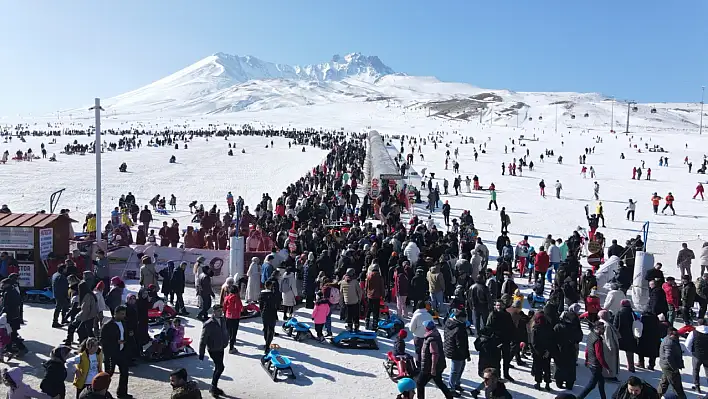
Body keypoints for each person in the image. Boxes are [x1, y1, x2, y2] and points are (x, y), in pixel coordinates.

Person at [100, 305, 132, 399]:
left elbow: (125, 334)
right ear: (116, 314)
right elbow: (102, 340)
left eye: (124, 314)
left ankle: (122, 393)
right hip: (111, 353)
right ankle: (102, 394)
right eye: (122, 314)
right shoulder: (107, 325)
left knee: (125, 372)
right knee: (108, 374)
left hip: (122, 352)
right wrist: (115, 342)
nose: (123, 316)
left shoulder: (124, 323)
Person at [417, 320, 453, 399]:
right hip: (438, 366)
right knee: (439, 382)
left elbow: (434, 354)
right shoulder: (435, 334)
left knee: (419, 383)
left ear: (427, 328)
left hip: (429, 367)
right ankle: (449, 396)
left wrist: (433, 369)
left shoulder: (432, 339)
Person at [198, 305, 228, 397]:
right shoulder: (208, 324)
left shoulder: (222, 320)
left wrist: (226, 340)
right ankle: (213, 387)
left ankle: (214, 387)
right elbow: (203, 339)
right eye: (219, 311)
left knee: (218, 367)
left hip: (221, 347)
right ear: (213, 312)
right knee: (220, 367)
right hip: (213, 349)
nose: (221, 312)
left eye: (221, 311)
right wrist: (201, 353)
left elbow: (225, 331)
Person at [578, 322, 610, 399]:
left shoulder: (591, 335)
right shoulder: (597, 340)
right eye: (602, 328)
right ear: (597, 328)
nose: (604, 330)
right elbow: (599, 356)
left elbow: (587, 349)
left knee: (601, 381)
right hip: (596, 365)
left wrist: (587, 360)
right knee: (592, 385)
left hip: (591, 363)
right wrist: (606, 366)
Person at [443, 309, 470, 396]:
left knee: (460, 368)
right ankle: (451, 388)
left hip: (451, 349)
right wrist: (466, 354)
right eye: (464, 318)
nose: (465, 320)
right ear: (460, 318)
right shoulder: (459, 328)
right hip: (457, 353)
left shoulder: (449, 323)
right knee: (455, 371)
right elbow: (461, 344)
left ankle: (456, 383)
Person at [657, 327, 686, 398]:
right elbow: (668, 358)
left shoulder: (671, 339)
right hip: (670, 368)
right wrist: (674, 368)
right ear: (670, 334)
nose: (677, 336)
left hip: (666, 366)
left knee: (664, 382)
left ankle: (657, 396)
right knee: (677, 387)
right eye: (676, 334)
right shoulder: (669, 343)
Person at [530, 311, 554, 391]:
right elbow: (552, 341)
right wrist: (547, 351)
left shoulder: (535, 329)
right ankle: (547, 384)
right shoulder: (549, 328)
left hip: (538, 353)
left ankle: (538, 383)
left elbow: (534, 342)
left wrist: (539, 352)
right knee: (547, 368)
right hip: (547, 352)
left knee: (538, 369)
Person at [409, 300, 434, 371]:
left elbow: (411, 329)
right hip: (428, 337)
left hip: (418, 337)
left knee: (418, 353)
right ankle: (427, 366)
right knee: (427, 353)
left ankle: (419, 367)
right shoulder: (429, 315)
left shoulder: (416, 316)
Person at [686, 318, 708, 393]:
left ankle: (697, 387)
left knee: (696, 370)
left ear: (698, 324)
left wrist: (691, 352)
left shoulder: (693, 332)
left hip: (697, 355)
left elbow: (687, 344)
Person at [598, 310, 621, 381]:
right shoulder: (606, 325)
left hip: (605, 346)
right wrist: (611, 347)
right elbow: (608, 338)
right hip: (608, 347)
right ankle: (609, 376)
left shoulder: (602, 322)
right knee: (610, 362)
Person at [258, 280, 280, 352]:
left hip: (264, 313)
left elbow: (260, 306)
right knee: (271, 329)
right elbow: (275, 306)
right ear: (270, 286)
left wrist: (262, 312)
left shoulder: (261, 294)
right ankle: (268, 345)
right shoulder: (273, 295)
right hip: (272, 313)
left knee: (265, 328)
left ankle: (266, 342)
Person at [340, 268, 363, 332]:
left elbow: (341, 293)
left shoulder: (342, 282)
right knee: (356, 316)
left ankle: (349, 327)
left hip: (347, 302)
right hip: (355, 301)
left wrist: (341, 303)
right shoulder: (355, 282)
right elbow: (359, 292)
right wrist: (359, 299)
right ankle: (356, 327)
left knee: (349, 316)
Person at [222, 285, 243, 354]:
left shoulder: (227, 298)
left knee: (228, 330)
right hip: (235, 317)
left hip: (228, 316)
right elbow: (240, 308)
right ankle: (231, 348)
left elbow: (224, 307)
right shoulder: (237, 299)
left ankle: (227, 341)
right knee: (234, 333)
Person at [365, 264, 385, 330]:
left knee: (369, 309)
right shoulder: (380, 277)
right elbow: (382, 287)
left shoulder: (369, 276)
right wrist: (383, 295)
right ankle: (375, 324)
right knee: (376, 310)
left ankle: (367, 323)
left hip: (369, 295)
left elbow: (366, 286)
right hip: (377, 296)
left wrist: (366, 293)